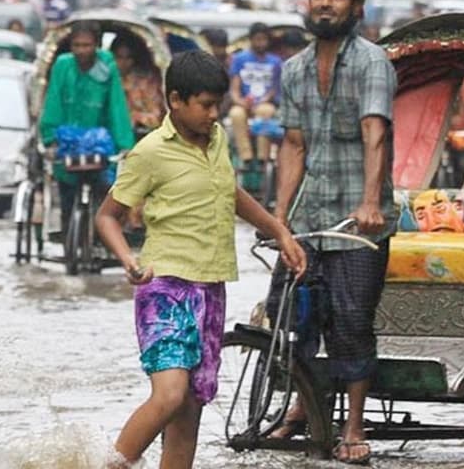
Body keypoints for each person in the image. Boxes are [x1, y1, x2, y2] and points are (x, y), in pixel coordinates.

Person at [96, 51, 306, 469]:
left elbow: (232, 194)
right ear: (176, 100)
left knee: (190, 406)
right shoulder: (150, 152)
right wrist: (128, 260)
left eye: (217, 105)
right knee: (170, 394)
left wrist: (279, 230)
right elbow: (107, 217)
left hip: (210, 288)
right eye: (205, 105)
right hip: (164, 284)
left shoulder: (217, 140)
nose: (214, 114)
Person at [269, 0, 396, 466]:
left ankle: (354, 425)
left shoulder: (372, 63)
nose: (326, 2)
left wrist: (369, 202)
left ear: (355, 8)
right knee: (292, 316)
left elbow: (375, 134)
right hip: (308, 218)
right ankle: (302, 405)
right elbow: (293, 147)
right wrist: (279, 220)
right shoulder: (294, 69)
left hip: (357, 225)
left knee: (350, 321)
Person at [39, 21, 135, 235]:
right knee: (66, 194)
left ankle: (104, 235)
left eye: (87, 45)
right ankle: (67, 235)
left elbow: (116, 104)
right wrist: (50, 136)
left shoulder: (107, 65)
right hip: (68, 142)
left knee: (105, 190)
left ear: (97, 46)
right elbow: (53, 100)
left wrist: (125, 144)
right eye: (77, 45)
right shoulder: (63, 65)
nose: (82, 51)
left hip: (99, 143)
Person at [227, 22, 284, 169]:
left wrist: (262, 100)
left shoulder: (276, 62)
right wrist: (240, 101)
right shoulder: (239, 59)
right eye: (257, 39)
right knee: (235, 114)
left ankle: (262, 158)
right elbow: (235, 87)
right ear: (251, 39)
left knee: (266, 111)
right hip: (243, 103)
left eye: (263, 39)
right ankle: (245, 157)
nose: (260, 43)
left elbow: (274, 88)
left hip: (264, 102)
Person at [110, 34, 165, 134]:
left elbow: (156, 117)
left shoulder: (146, 82)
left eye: (128, 58)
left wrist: (134, 117)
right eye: (118, 57)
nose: (123, 62)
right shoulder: (105, 79)